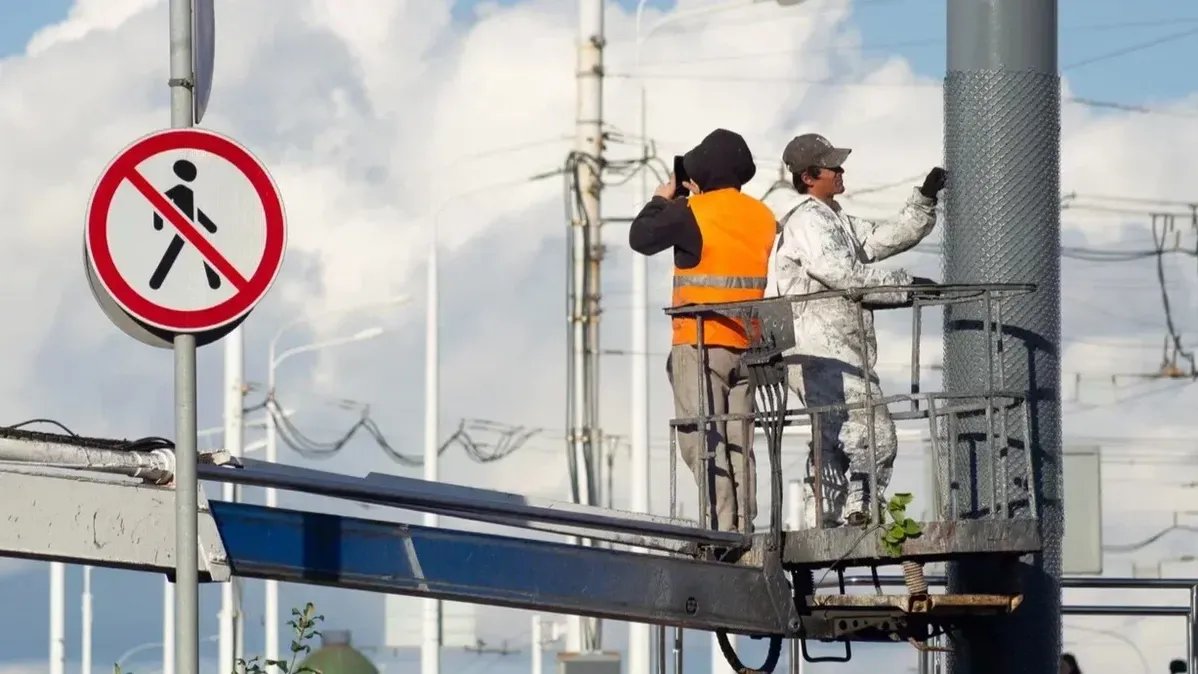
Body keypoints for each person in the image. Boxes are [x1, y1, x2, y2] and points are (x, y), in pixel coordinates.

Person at [765, 132, 945, 528]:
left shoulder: (835, 219)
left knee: (833, 439)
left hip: (832, 351)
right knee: (875, 433)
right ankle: (861, 509)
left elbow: (881, 238)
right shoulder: (809, 221)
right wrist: (905, 287)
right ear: (809, 177)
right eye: (832, 166)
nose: (841, 171)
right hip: (818, 349)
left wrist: (924, 200)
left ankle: (821, 518)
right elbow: (842, 273)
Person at [628, 128, 777, 535]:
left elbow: (641, 238)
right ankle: (744, 527)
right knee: (739, 443)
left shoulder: (691, 212)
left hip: (700, 342)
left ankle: (719, 528)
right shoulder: (763, 217)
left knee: (703, 440)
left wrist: (662, 199)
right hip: (748, 345)